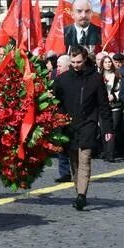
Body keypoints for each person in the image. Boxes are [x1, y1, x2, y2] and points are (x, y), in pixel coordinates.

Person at [53, 46, 113, 210]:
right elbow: (53, 100)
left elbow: (103, 105)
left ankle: (81, 196)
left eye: (79, 61)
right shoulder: (62, 79)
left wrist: (107, 129)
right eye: (72, 62)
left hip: (88, 123)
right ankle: (79, 191)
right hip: (69, 126)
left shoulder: (95, 78)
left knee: (85, 159)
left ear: (85, 59)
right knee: (74, 162)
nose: (76, 65)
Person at [53, 55, 73, 183]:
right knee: (61, 145)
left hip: (72, 115)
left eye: (60, 66)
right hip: (60, 116)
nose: (58, 68)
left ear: (67, 66)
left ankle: (76, 170)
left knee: (73, 146)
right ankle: (64, 173)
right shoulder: (56, 78)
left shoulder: (74, 78)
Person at [100, 55, 123, 162]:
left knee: (112, 129)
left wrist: (113, 96)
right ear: (102, 64)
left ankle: (111, 153)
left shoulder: (117, 75)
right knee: (104, 129)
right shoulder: (99, 76)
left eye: (109, 62)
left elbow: (120, 90)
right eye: (105, 62)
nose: (108, 64)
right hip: (103, 107)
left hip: (115, 107)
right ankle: (105, 151)